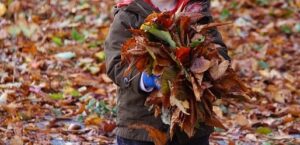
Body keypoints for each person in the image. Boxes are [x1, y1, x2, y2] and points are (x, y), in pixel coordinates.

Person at [104, 0, 230, 145]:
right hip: (142, 126)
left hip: (192, 125)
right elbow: (116, 63)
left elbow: (219, 52)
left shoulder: (196, 11)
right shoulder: (129, 14)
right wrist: (143, 79)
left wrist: (208, 65)